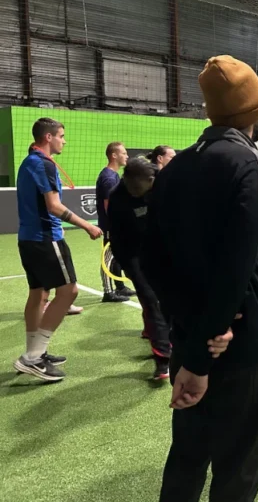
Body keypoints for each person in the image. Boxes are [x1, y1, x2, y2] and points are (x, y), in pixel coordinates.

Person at [141, 56, 258, 502]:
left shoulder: (174, 168)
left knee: (186, 458)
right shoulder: (249, 163)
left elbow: (152, 258)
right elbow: (236, 265)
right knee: (237, 467)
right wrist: (211, 339)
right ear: (257, 110)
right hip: (234, 342)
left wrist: (190, 334)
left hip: (190, 334)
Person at [14, 118, 103, 382]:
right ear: (48, 137)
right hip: (45, 238)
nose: (64, 140)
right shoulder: (43, 164)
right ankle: (33, 357)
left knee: (39, 293)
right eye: (61, 136)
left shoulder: (29, 162)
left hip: (28, 239)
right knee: (69, 292)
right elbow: (53, 206)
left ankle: (34, 353)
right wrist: (86, 224)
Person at [108, 158, 172, 380]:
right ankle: (163, 359)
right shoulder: (117, 198)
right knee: (150, 299)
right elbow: (118, 239)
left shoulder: (163, 186)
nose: (135, 190)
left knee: (169, 297)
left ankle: (170, 338)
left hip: (160, 247)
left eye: (140, 186)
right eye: (130, 185)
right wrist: (128, 266)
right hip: (132, 252)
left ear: (151, 180)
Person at [96, 141, 135, 303]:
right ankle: (108, 291)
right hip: (111, 227)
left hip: (115, 226)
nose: (127, 156)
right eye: (124, 153)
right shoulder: (109, 178)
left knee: (117, 256)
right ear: (114, 155)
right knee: (109, 257)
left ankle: (120, 286)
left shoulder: (113, 176)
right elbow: (108, 207)